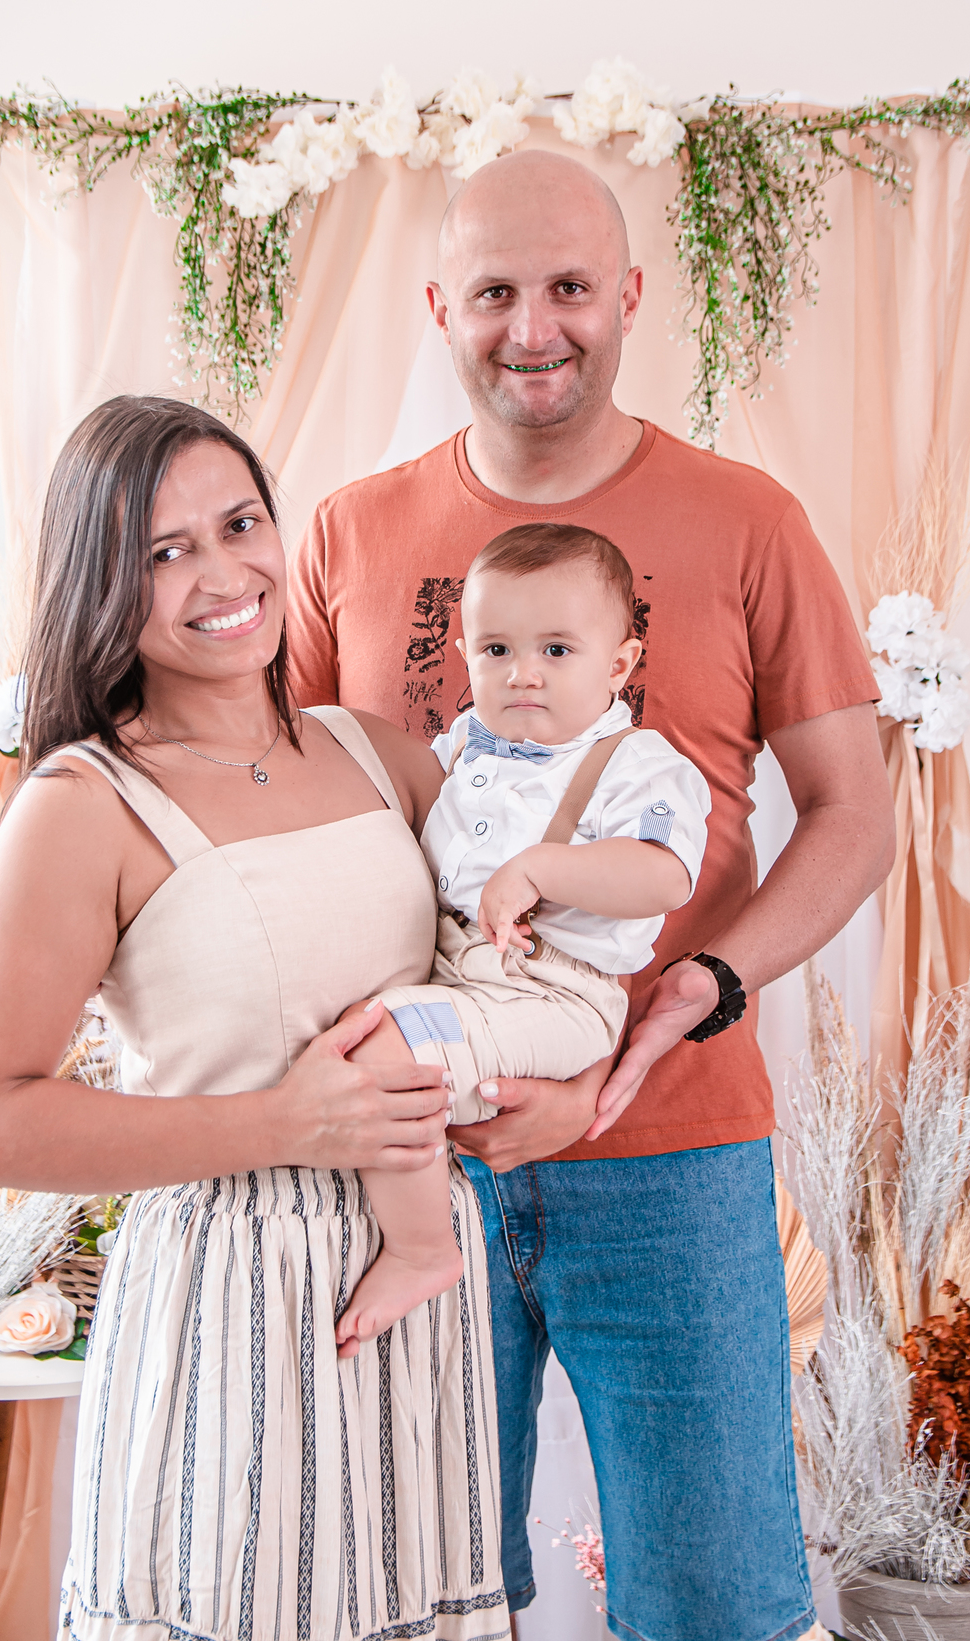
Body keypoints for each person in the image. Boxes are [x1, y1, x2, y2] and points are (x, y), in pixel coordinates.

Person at [286, 149, 896, 1641]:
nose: (534, 327)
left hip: (677, 1160)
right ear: (439, 307)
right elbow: (279, 816)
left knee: (717, 1607)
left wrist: (696, 994)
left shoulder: (748, 520)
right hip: (406, 1163)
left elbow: (854, 818)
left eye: (569, 287)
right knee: (402, 1602)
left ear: (628, 295)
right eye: (495, 291)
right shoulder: (348, 534)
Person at [0, 396, 509, 1641]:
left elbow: (501, 976)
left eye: (241, 525)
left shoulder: (379, 756)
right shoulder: (83, 802)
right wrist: (283, 1122)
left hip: (415, 1286)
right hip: (230, 1299)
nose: (224, 574)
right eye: (164, 550)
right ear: (103, 584)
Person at [335, 520, 710, 1357]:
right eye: (496, 650)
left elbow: (662, 876)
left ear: (618, 664)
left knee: (388, 1050)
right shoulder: (464, 746)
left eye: (556, 651)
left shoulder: (636, 763)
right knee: (346, 1034)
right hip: (458, 975)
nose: (523, 673)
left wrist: (542, 868)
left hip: (553, 991)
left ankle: (422, 1249)